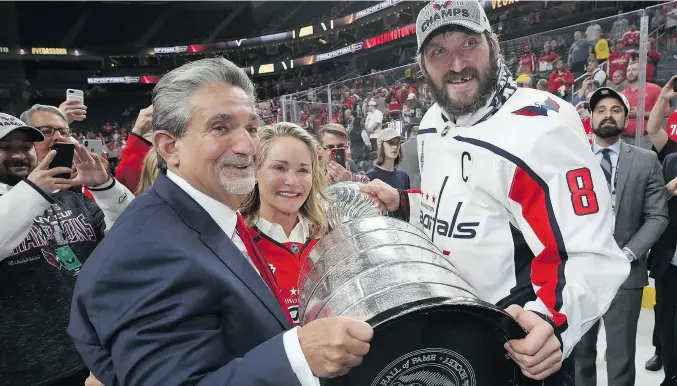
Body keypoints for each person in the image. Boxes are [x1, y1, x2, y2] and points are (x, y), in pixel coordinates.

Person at [361, 1, 630, 382]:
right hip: (453, 329)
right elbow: (464, 209)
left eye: (468, 43)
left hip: (517, 343)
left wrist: (551, 320)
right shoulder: (432, 119)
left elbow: (589, 251)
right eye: (438, 51)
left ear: (495, 46)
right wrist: (406, 204)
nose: (455, 64)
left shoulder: (542, 126)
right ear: (423, 66)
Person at [68, 58, 373, 386]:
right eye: (220, 127)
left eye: (251, 128)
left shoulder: (213, 215)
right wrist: (298, 355)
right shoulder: (147, 252)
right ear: (170, 147)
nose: (247, 146)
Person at [0, 112, 133, 386]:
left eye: (25, 147)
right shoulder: (30, 197)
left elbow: (135, 239)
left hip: (98, 355)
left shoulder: (73, 199)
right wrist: (34, 191)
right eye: (5, 148)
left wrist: (105, 188)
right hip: (24, 372)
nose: (18, 156)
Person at [572, 87, 668, 386]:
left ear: (626, 118)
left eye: (615, 110)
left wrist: (628, 254)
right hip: (579, 272)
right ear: (591, 118)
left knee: (622, 355)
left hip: (626, 272)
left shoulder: (645, 160)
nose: (607, 115)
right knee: (579, 353)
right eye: (600, 110)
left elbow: (658, 216)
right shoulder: (572, 159)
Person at [238, 122, 328, 325]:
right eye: (279, 168)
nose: (292, 181)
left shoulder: (331, 239)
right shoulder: (235, 244)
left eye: (303, 170)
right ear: (254, 172)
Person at [647, 151, 677, 386]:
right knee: (665, 315)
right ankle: (671, 372)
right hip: (670, 259)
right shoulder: (671, 161)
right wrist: (668, 191)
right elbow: (653, 202)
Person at [399, 126, 421, 190]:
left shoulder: (400, 147)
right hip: (417, 186)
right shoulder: (422, 148)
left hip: (402, 184)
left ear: (411, 133)